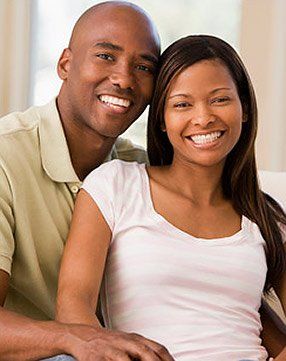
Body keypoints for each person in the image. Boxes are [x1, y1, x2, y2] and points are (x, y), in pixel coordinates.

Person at [56, 35, 286, 361]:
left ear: (244, 109)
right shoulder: (116, 185)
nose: (203, 117)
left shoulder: (263, 216)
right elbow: (73, 305)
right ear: (162, 120)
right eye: (182, 104)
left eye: (219, 100)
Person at [0, 2, 176, 360]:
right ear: (65, 64)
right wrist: (75, 338)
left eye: (143, 67)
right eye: (106, 56)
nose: (125, 79)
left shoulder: (140, 171)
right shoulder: (6, 156)